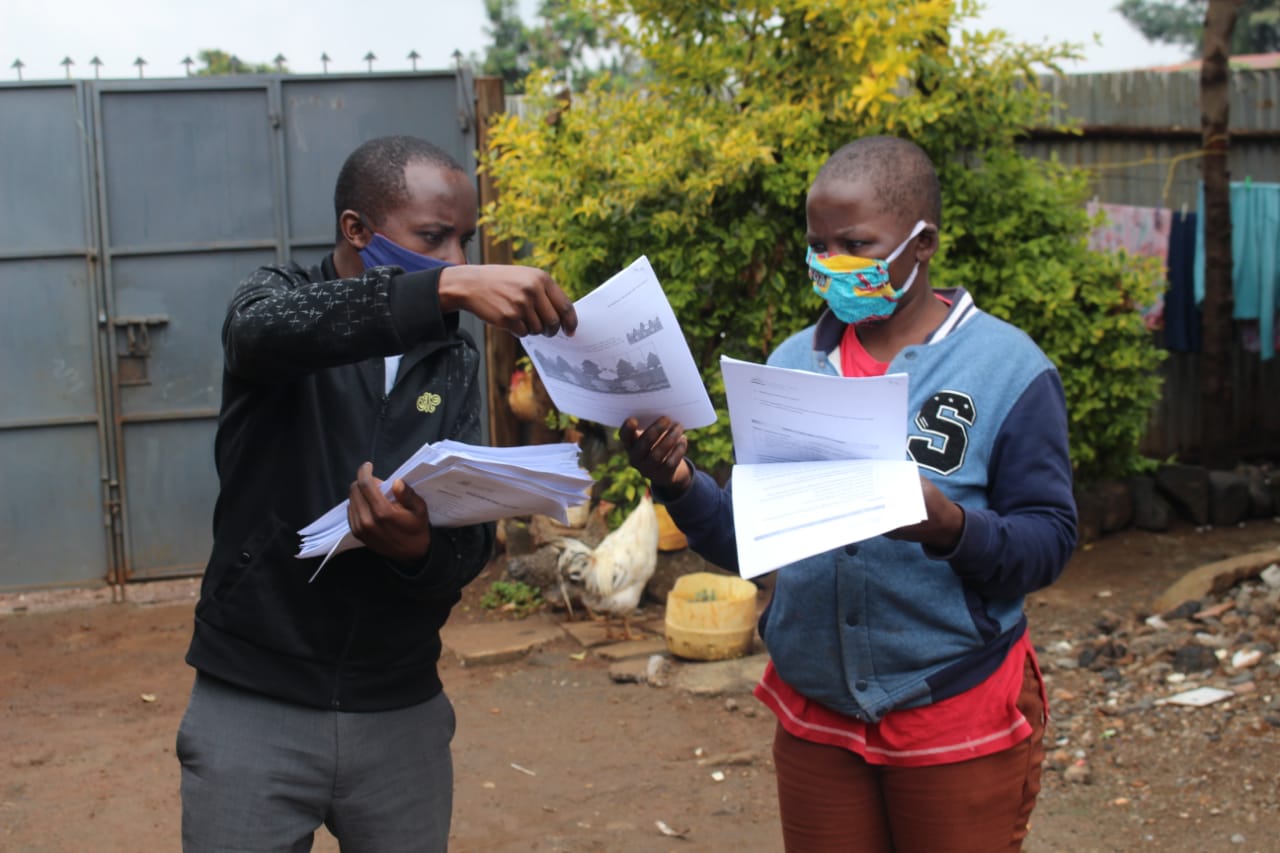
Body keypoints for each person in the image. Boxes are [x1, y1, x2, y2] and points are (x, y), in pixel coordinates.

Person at [623, 136, 1077, 852]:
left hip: (952, 703)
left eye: (855, 244)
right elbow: (752, 540)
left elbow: (1049, 543)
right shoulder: (790, 365)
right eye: (818, 245)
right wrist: (675, 481)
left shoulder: (1007, 369)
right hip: (816, 714)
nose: (831, 262)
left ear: (921, 243)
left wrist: (949, 525)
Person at [177, 135, 577, 852]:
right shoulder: (277, 300)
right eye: (434, 237)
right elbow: (260, 335)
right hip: (254, 702)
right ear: (356, 230)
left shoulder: (450, 355)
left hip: (399, 711)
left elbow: (465, 545)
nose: (456, 259)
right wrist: (444, 289)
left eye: (465, 240)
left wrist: (419, 548)